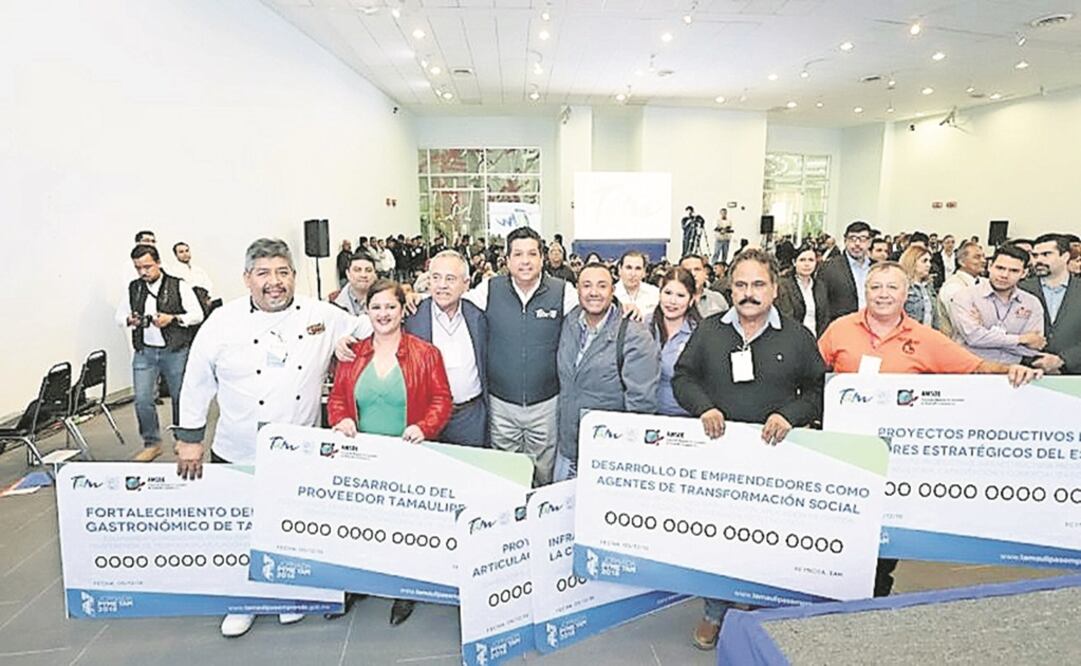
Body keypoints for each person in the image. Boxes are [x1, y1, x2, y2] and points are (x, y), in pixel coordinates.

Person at [175, 238, 371, 637]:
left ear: (294, 276)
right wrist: (191, 438)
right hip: (238, 447)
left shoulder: (320, 314)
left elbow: (370, 325)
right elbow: (196, 381)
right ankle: (242, 602)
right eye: (263, 273)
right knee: (242, 528)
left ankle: (289, 593)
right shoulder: (222, 322)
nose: (274, 282)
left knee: (293, 525)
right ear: (247, 278)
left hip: (299, 447)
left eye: (282, 272)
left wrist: (406, 299)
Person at [818, 261, 1042, 598]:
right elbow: (811, 373)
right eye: (875, 287)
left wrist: (1012, 371)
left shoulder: (925, 338)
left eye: (891, 287)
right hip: (842, 455)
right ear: (865, 291)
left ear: (905, 293)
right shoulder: (839, 329)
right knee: (840, 532)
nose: (883, 295)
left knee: (882, 541)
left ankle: (874, 599)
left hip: (895, 461)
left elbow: (975, 368)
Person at [672, 249, 826, 650]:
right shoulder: (710, 331)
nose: (748, 293)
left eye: (758, 284)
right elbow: (682, 378)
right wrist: (704, 407)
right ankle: (714, 612)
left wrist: (790, 415)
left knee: (768, 537)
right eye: (740, 285)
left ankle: (761, 612)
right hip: (719, 458)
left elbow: (817, 391)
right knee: (719, 538)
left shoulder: (797, 337)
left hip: (776, 460)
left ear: (774, 289)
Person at [328, 279, 452, 626]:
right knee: (362, 522)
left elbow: (442, 400)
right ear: (367, 311)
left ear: (402, 311)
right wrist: (341, 419)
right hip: (361, 457)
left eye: (390, 307)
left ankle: (404, 588)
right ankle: (360, 583)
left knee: (404, 523)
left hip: (407, 456)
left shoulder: (426, 354)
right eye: (376, 307)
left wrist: (424, 427)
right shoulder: (352, 353)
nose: (383, 314)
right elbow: (337, 398)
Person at [553, 263, 659, 481]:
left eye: (602, 286)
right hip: (567, 448)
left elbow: (641, 402)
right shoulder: (569, 322)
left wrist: (626, 455)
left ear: (613, 291)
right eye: (587, 285)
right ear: (577, 290)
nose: (594, 292)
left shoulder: (634, 334)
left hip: (608, 453)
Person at [116, 244, 204, 461]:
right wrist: (129, 320)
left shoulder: (178, 285)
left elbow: (197, 314)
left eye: (147, 266)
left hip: (175, 350)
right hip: (144, 351)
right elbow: (119, 315)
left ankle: (182, 439)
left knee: (180, 397)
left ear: (158, 263)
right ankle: (152, 443)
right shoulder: (134, 288)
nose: (143, 272)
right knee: (142, 399)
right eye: (138, 268)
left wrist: (172, 318)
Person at [401, 251, 488, 446]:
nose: (442, 285)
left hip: (469, 417)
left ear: (466, 284)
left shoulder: (478, 316)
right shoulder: (412, 315)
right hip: (425, 416)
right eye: (435, 277)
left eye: (450, 279)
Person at [951, 245, 1045, 364]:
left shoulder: (1032, 303)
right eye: (1000, 268)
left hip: (1013, 371)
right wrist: (1020, 339)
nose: (1004, 275)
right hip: (972, 369)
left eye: (1014, 271)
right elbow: (973, 338)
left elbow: (1032, 348)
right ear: (990, 266)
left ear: (1024, 273)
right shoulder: (966, 296)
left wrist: (987, 336)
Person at [1022, 233, 1081, 375]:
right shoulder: (1021, 289)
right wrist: (1035, 360)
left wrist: (1063, 360)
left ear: (1065, 256)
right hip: (1027, 372)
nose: (1038, 260)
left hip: (1075, 374)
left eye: (1046, 254)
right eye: (1035, 256)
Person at [649, 268, 701, 416]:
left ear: (691, 300)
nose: (672, 301)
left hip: (685, 417)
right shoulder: (643, 326)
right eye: (668, 293)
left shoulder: (700, 334)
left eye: (680, 295)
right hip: (645, 414)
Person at [818, 220, 872, 323]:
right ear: (845, 241)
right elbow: (822, 305)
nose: (857, 244)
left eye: (862, 239)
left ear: (869, 242)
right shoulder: (829, 268)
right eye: (852, 239)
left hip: (873, 325)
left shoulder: (876, 268)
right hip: (842, 325)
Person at [776, 245, 829, 337]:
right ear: (794, 262)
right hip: (792, 337)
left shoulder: (820, 286)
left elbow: (824, 317)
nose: (807, 264)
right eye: (802, 260)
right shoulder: (784, 285)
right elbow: (786, 317)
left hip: (816, 339)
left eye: (811, 260)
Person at [937, 241, 986, 337]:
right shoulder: (953, 287)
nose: (983, 261)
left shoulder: (983, 283)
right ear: (961, 262)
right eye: (977, 257)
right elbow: (964, 326)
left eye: (983, 256)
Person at [899, 246, 939, 329]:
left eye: (929, 261)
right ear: (912, 262)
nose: (929, 265)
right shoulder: (902, 286)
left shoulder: (929, 287)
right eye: (924, 261)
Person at [614, 250, 660, 314]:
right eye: (628, 268)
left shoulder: (655, 293)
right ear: (620, 269)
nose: (633, 274)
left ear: (644, 272)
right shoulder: (611, 294)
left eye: (638, 268)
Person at [334, 251, 378, 316]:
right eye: (357, 270)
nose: (363, 275)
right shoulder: (333, 303)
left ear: (375, 274)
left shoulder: (387, 299)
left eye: (368, 270)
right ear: (347, 273)